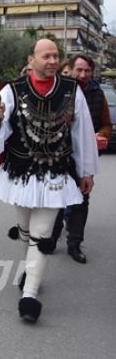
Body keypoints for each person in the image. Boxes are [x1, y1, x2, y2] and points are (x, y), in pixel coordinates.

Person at [0, 39, 97, 323]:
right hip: (21, 173)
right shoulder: (12, 90)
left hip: (57, 174)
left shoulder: (71, 91)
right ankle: (30, 269)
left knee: (43, 235)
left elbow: (81, 132)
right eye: (47, 56)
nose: (53, 61)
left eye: (56, 55)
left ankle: (29, 295)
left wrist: (86, 171)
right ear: (31, 60)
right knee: (26, 230)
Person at [49, 54, 111, 263]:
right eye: (80, 70)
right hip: (59, 155)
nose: (83, 74)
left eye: (88, 71)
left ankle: (74, 244)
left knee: (81, 200)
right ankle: (52, 236)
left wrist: (101, 135)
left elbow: (105, 124)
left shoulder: (96, 93)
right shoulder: (58, 90)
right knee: (56, 199)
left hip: (84, 157)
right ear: (71, 69)